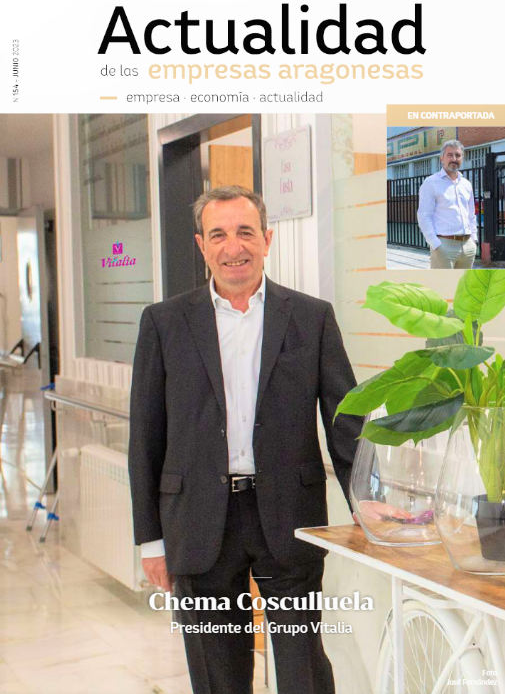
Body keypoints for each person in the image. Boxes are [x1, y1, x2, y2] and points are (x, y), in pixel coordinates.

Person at [128, 185, 363, 694]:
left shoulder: (312, 317)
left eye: (245, 232)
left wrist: (367, 503)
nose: (233, 247)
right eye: (218, 234)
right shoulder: (164, 323)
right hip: (196, 520)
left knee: (303, 670)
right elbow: (145, 438)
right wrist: (151, 541)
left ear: (267, 239)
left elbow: (345, 420)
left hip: (289, 513)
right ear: (201, 245)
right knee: (218, 677)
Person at [417, 140, 478, 269]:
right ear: (442, 159)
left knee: (464, 282)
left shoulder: (466, 184)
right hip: (444, 246)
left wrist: (474, 240)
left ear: (462, 158)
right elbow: (424, 216)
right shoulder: (431, 183)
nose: (454, 159)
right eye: (450, 155)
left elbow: (471, 215)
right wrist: (435, 244)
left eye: (458, 155)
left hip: (468, 247)